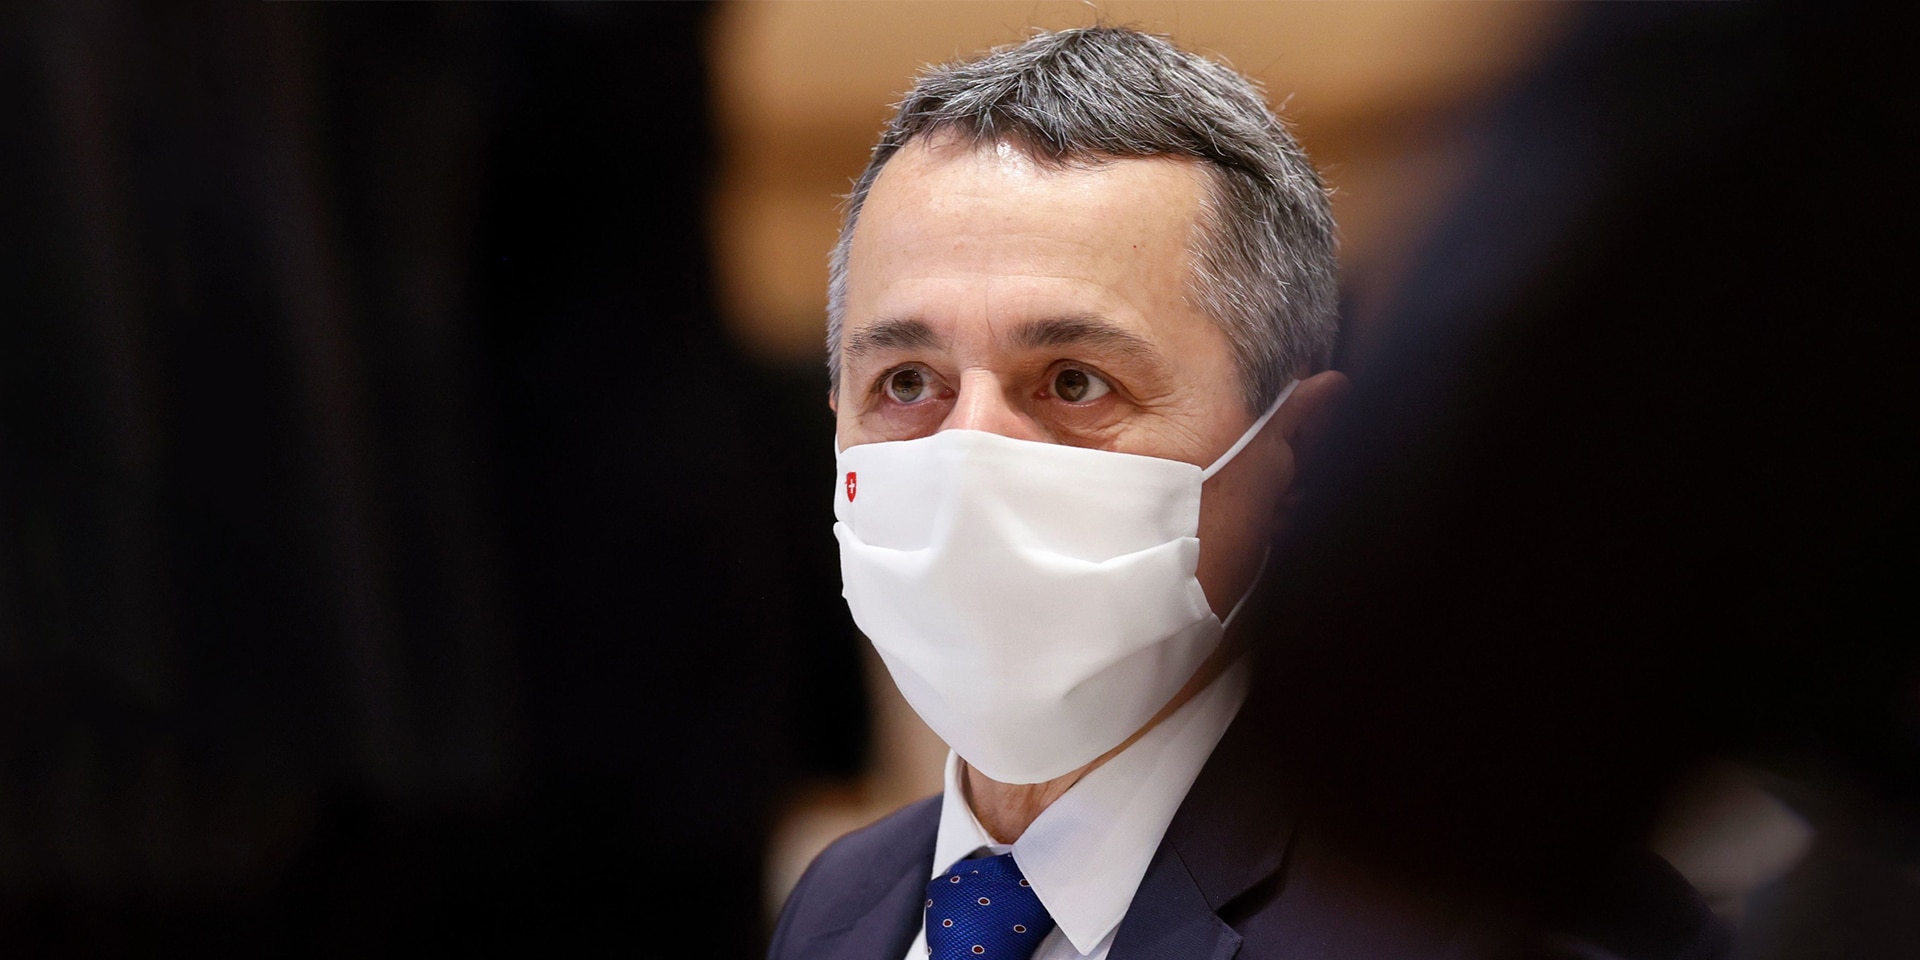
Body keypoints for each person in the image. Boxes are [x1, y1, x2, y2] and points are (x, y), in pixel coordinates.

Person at [767, 24, 1730, 960]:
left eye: (1073, 381)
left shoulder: (1499, 929)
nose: (968, 448)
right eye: (904, 383)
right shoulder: (841, 903)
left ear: (1297, 453)